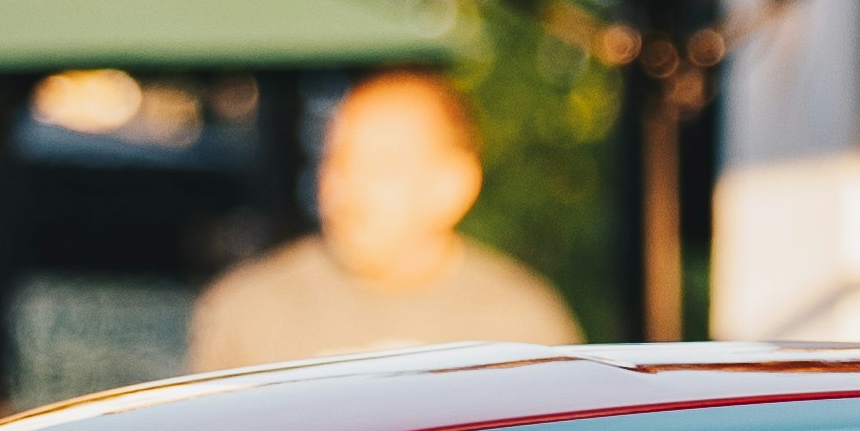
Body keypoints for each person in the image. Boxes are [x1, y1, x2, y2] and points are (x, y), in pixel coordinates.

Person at [187, 70, 578, 372]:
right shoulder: (247, 311)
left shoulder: (523, 330)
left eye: (382, 165)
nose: (348, 186)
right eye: (338, 160)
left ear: (454, 186)